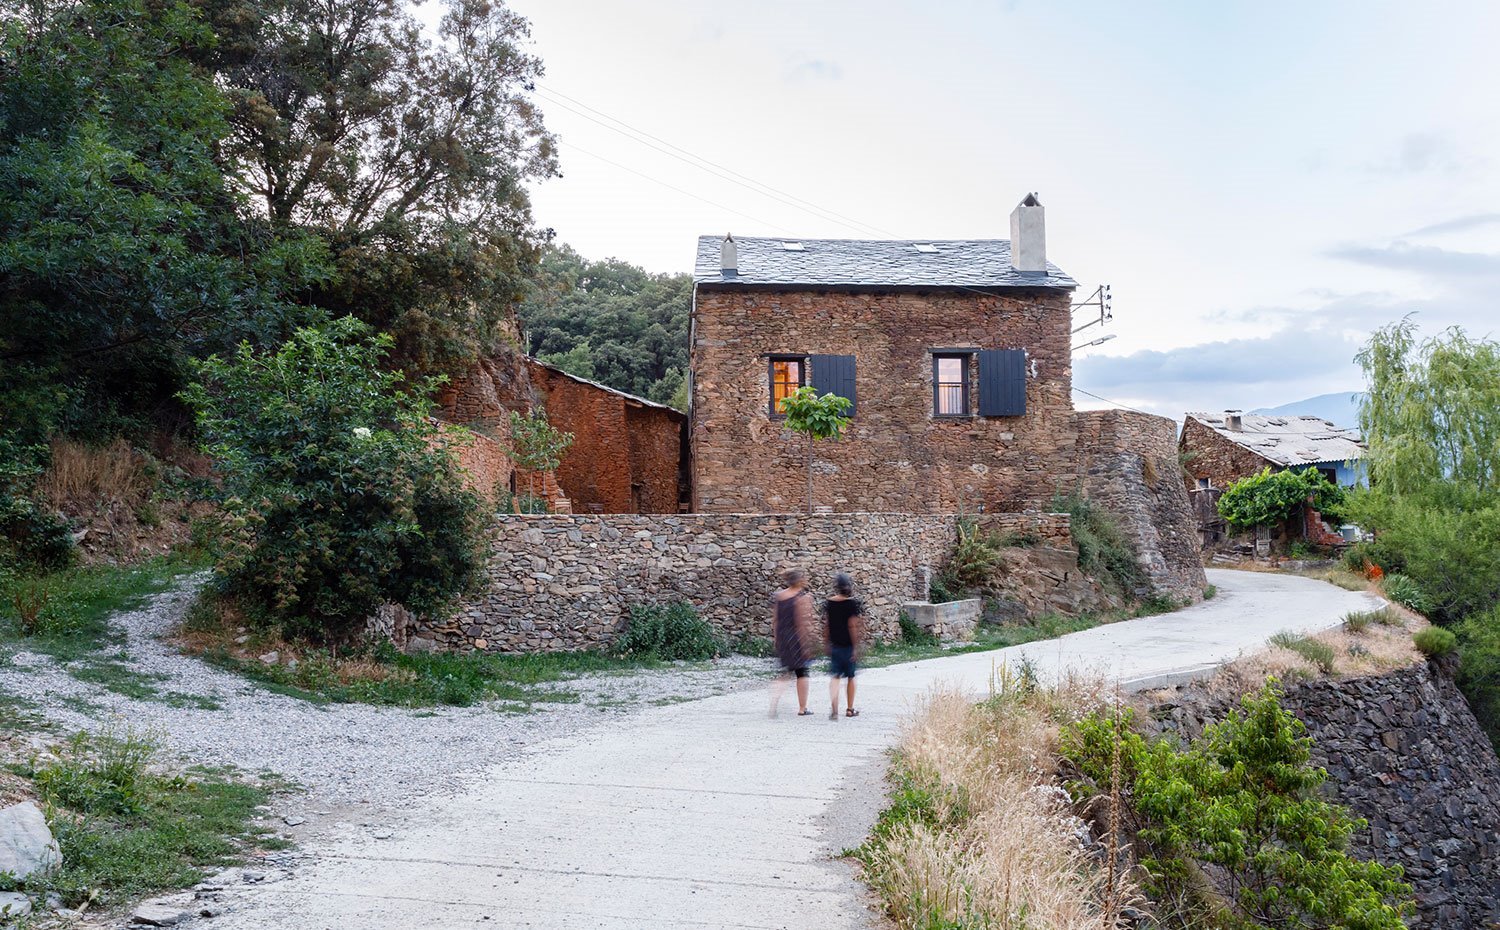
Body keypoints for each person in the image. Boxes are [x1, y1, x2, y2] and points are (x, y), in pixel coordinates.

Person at [770, 568, 816, 717]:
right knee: (802, 672)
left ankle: (774, 702)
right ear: (800, 581)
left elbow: (775, 620)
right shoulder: (801, 598)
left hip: (783, 637)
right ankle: (802, 708)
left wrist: (776, 638)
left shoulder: (779, 596)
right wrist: (805, 643)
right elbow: (801, 622)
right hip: (795, 637)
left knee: (786, 672)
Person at [824, 572, 865, 719]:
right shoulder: (852, 604)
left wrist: (826, 642)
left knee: (835, 677)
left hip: (835, 644)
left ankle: (834, 710)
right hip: (848, 645)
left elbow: (827, 625)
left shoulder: (830, 603)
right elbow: (852, 626)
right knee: (850, 677)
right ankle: (849, 709)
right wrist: (855, 647)